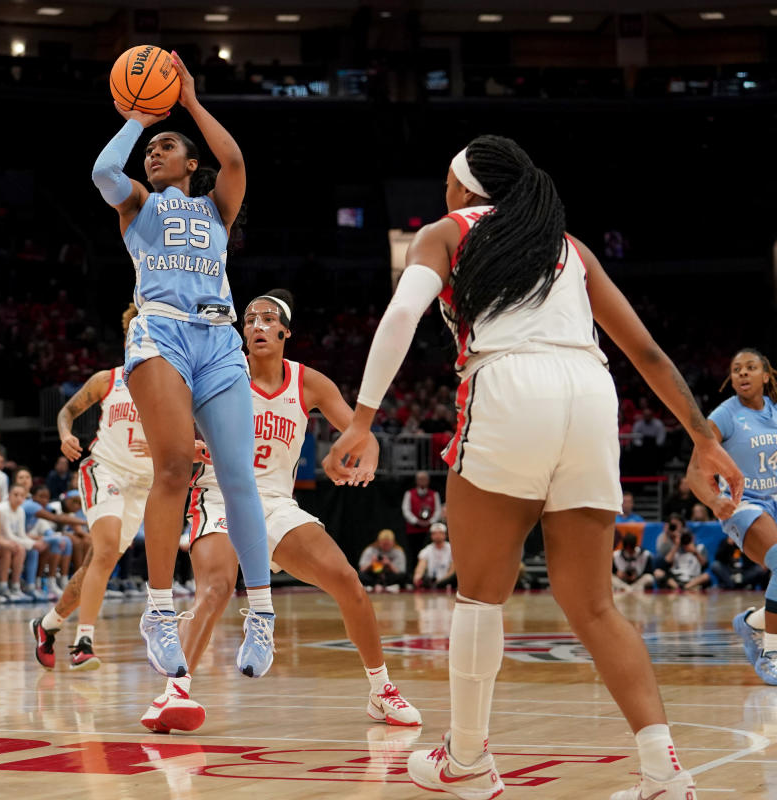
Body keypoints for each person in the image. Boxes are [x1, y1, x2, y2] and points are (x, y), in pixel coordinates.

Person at [325, 135, 740, 799]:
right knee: (596, 606)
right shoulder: (568, 247)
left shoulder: (447, 230)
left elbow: (403, 311)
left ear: (465, 188)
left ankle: (466, 760)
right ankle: (664, 772)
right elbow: (648, 352)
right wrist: (702, 436)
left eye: (447, 182)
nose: (444, 193)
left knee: (480, 594)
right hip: (591, 391)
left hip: (510, 386)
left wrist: (364, 418)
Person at [139, 291, 418, 734]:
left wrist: (359, 455)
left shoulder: (309, 382)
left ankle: (380, 690)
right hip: (219, 494)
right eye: (249, 319)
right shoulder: (216, 373)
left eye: (269, 319)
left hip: (275, 503)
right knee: (216, 586)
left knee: (347, 581)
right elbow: (153, 426)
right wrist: (182, 444)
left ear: (286, 332)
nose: (257, 326)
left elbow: (361, 433)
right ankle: (174, 693)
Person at [93, 49, 274, 679]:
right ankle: (159, 612)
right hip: (161, 333)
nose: (154, 153)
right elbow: (102, 170)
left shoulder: (216, 207)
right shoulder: (139, 202)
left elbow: (235, 161)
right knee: (173, 464)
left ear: (191, 164)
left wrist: (189, 102)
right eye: (152, 147)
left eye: (167, 146)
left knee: (237, 476)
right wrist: (139, 118)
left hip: (219, 339)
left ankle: (263, 615)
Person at [31, 306, 154, 671]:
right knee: (103, 554)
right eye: (136, 333)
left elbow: (188, 436)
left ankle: (47, 625)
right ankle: (83, 642)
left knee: (94, 566)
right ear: (128, 337)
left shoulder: (172, 387)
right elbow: (67, 412)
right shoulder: (108, 380)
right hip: (105, 470)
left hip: (142, 486)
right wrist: (66, 434)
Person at [685, 349, 777, 685]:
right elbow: (695, 471)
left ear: (766, 376)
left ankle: (753, 622)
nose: (742, 374)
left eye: (751, 368)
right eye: (736, 369)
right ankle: (771, 652)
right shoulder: (723, 416)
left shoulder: (775, 414)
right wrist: (713, 500)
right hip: (744, 503)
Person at [401, 471, 442, 576]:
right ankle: (413, 576)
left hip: (429, 531)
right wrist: (416, 521)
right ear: (416, 481)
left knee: (429, 553)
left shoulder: (434, 494)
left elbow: (438, 510)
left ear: (428, 481)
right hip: (413, 530)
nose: (422, 481)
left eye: (424, 479)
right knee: (414, 554)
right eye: (420, 479)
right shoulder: (409, 494)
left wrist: (430, 522)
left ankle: (427, 576)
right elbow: (406, 510)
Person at [413, 523, 457, 590]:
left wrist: (439, 582)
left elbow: (452, 571)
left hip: (447, 581)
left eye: (440, 533)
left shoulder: (452, 549)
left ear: (445, 535)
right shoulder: (427, 550)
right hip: (431, 581)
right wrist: (417, 576)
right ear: (431, 535)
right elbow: (420, 567)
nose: (437, 535)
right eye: (435, 533)